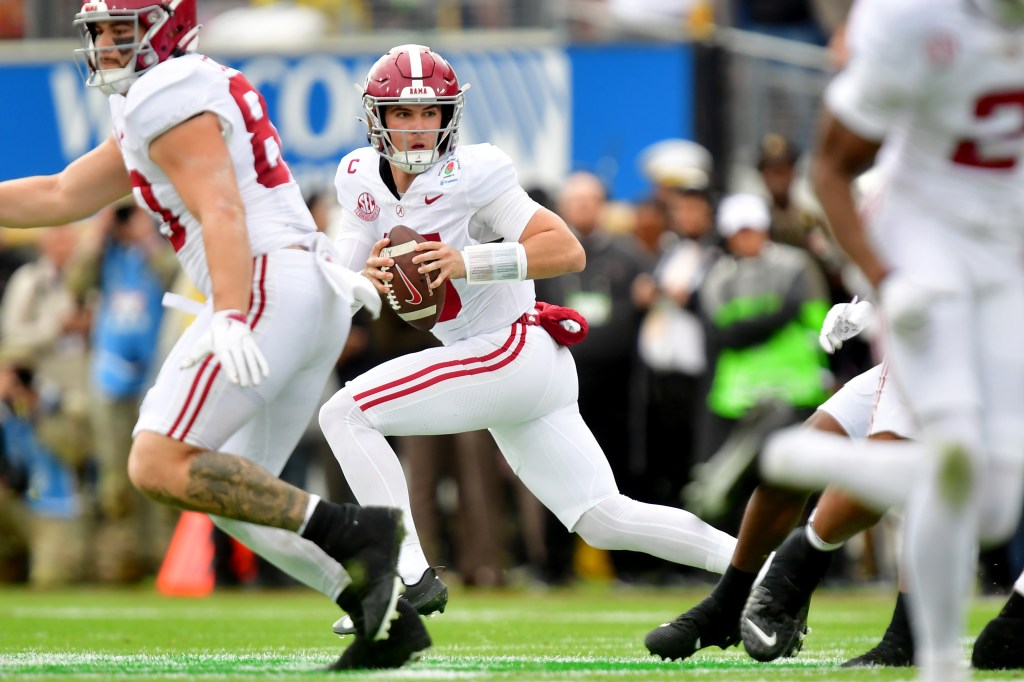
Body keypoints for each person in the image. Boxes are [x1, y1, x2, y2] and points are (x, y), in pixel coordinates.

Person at [0, 0, 428, 669]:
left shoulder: (165, 93)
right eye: (100, 31)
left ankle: (356, 532)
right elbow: (61, 194)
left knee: (156, 462)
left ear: (165, 25)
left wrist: (229, 311)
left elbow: (221, 206)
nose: (106, 44)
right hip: (299, 287)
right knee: (231, 493)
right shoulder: (165, 93)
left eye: (120, 29)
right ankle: (384, 612)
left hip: (261, 286)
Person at [319, 44, 739, 623]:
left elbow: (567, 250)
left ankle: (402, 574)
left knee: (345, 413)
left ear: (448, 116)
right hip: (511, 363)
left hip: (509, 347)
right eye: (403, 113)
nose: (417, 127)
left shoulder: (471, 175)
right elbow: (341, 277)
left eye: (429, 112)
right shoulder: (357, 177)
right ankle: (764, 569)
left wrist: (466, 262)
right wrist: (358, 280)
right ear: (377, 117)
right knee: (603, 517)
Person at [781, 1, 1024, 678]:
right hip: (928, 246)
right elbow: (830, 167)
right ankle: (935, 658)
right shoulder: (915, 18)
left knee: (994, 505)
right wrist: (885, 282)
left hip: (1004, 256)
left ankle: (817, 469)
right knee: (949, 454)